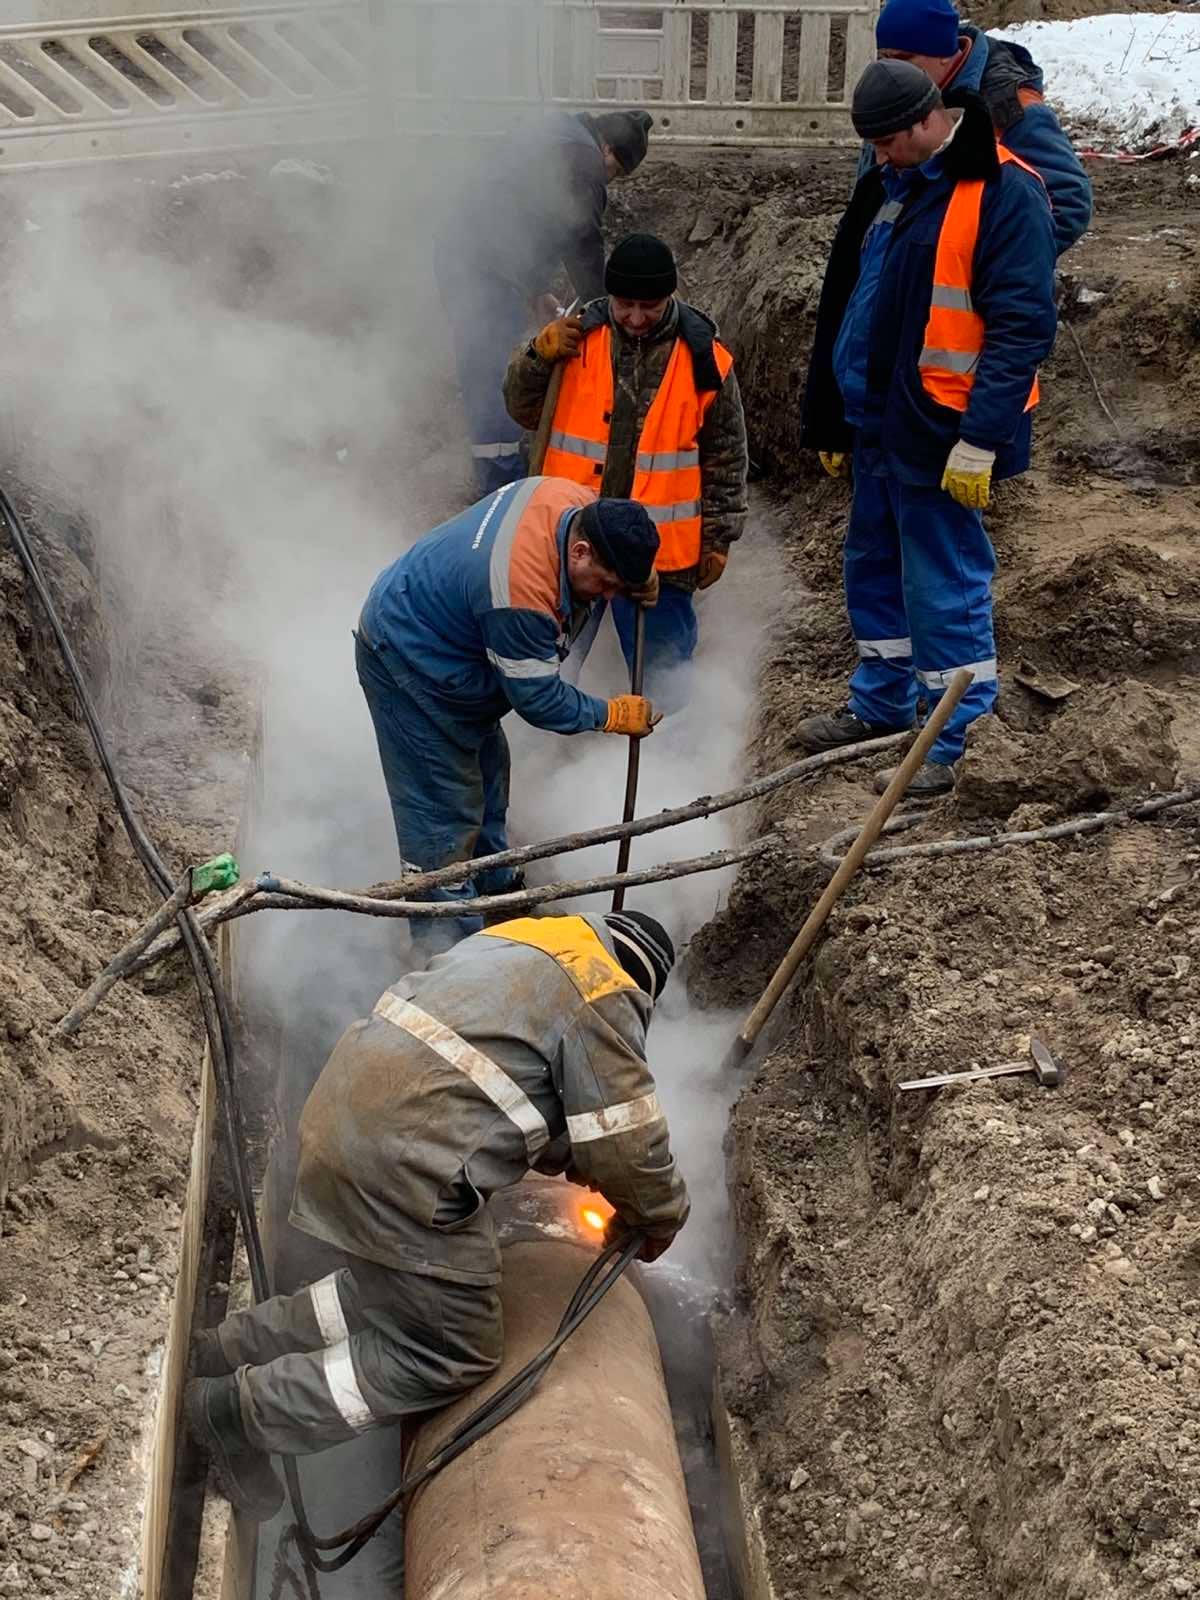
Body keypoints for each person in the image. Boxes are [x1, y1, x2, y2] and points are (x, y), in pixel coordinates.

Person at [184, 909, 689, 1520]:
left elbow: (500, 1086)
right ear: (644, 984)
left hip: (343, 1122)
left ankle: (225, 1347)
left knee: (386, 1294)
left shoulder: (523, 941)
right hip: (407, 1166)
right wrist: (659, 1214)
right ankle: (238, 1414)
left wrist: (576, 1160)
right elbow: (629, 1144)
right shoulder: (606, 991)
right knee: (451, 1348)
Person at [797, 61, 1058, 796]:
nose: (878, 156)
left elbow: (1021, 327)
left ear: (925, 120)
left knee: (944, 581)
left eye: (887, 141)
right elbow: (851, 300)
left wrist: (980, 439)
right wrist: (832, 416)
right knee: (873, 564)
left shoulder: (1004, 192)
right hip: (879, 420)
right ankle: (881, 703)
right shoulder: (894, 184)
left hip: (943, 431)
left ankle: (955, 737)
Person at [354, 476, 661, 953]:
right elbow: (539, 700)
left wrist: (637, 576)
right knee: (441, 818)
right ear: (580, 552)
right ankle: (450, 956)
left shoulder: (575, 503)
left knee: (489, 779)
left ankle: (500, 900)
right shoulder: (522, 594)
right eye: (606, 584)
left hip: (449, 645)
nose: (607, 597)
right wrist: (611, 714)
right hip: (407, 661)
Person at [504, 233, 748, 703]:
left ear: (670, 296)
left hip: (660, 555)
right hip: (572, 539)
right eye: (625, 305)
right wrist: (537, 357)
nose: (635, 318)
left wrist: (719, 538)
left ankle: (672, 743)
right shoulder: (575, 339)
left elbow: (727, 456)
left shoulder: (704, 359)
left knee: (664, 676)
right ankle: (543, 737)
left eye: (648, 306)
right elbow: (521, 408)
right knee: (548, 663)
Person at [435, 109, 654, 494]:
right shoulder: (584, 158)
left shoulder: (558, 132)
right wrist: (602, 308)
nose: (609, 178)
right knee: (490, 372)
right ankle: (502, 486)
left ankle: (499, 467)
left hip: (469, 257)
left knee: (486, 365)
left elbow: (527, 213)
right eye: (616, 170)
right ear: (607, 148)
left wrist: (536, 290)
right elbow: (583, 240)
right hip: (484, 268)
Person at [860, 0, 1091, 256]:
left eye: (903, 59)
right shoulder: (893, 97)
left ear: (943, 54)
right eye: (884, 58)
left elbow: (1070, 202)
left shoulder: (1011, 106)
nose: (891, 69)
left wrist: (991, 261)